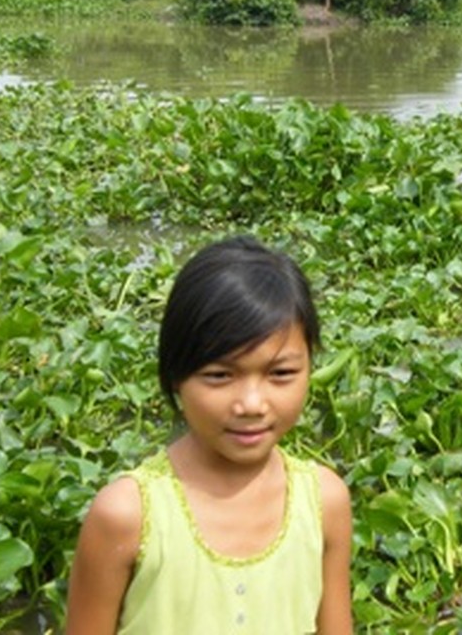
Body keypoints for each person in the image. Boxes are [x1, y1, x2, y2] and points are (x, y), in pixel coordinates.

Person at [65, 236, 353, 635]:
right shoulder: (126, 516)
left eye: (280, 374)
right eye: (220, 375)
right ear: (175, 376)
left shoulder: (325, 502)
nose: (251, 403)